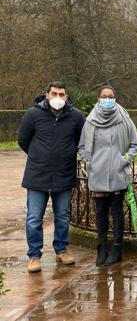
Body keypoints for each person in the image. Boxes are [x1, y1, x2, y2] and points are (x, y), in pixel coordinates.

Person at [18, 81, 85, 273]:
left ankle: (62, 250)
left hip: (64, 174)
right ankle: (34, 256)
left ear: (66, 96)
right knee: (33, 217)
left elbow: (81, 140)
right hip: (37, 175)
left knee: (63, 216)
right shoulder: (33, 114)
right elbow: (23, 139)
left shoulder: (76, 116)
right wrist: (39, 156)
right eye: (54, 93)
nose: (58, 98)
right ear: (46, 95)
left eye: (61, 94)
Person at [78, 86, 137, 266]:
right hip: (97, 175)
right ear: (98, 98)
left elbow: (135, 145)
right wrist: (89, 162)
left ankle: (116, 248)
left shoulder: (124, 119)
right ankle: (102, 247)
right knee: (100, 213)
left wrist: (124, 160)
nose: (107, 100)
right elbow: (81, 147)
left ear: (115, 98)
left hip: (117, 174)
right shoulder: (90, 121)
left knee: (117, 212)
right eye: (104, 96)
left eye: (110, 96)